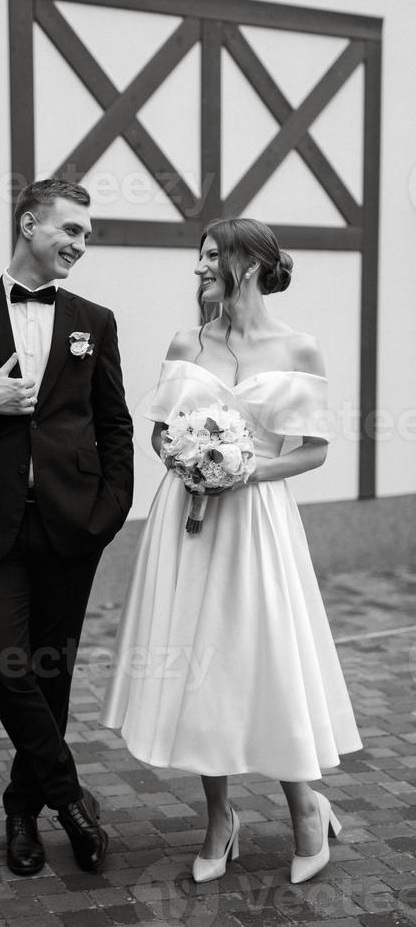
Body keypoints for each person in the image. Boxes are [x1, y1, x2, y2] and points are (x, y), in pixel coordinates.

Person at [100, 217, 361, 885]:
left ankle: (305, 805)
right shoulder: (188, 340)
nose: (198, 268)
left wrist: (243, 470)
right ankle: (219, 818)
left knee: (264, 659)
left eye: (210, 256)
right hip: (186, 525)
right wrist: (186, 461)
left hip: (256, 523)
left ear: (245, 265)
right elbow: (158, 437)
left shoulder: (299, 348)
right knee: (198, 665)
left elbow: (313, 450)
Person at [0, 178, 134, 876]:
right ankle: (69, 800)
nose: (79, 245)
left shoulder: (93, 320)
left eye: (86, 237)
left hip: (72, 527)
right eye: (69, 231)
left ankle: (22, 811)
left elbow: (114, 425)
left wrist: (108, 514)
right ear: (29, 223)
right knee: (4, 663)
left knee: (52, 674)